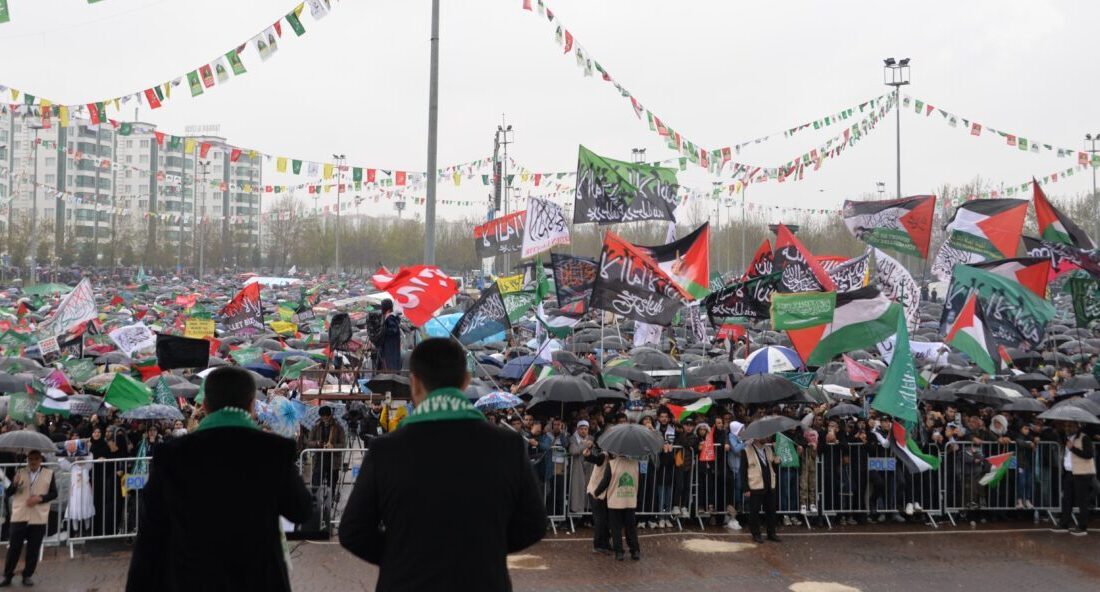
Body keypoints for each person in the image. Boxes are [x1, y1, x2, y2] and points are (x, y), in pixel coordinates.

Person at [339, 338, 546, 591]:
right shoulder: (507, 446)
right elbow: (533, 524)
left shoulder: (386, 451)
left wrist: (402, 558)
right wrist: (484, 551)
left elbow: (353, 531)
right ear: (466, 381)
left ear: (414, 384)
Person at [125, 366, 313, 592]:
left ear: (204, 406)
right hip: (258, 581)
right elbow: (300, 510)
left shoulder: (172, 454)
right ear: (252, 405)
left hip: (192, 581)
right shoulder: (273, 451)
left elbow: (150, 535)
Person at [1, 449, 57, 587]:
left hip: (38, 515)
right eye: (30, 459)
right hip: (20, 513)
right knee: (14, 547)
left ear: (40, 460)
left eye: (36, 459)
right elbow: (8, 493)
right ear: (27, 460)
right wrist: (13, 484)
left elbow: (54, 493)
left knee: (34, 547)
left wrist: (40, 498)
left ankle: (27, 575)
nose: (32, 462)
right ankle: (8, 575)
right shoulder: (20, 471)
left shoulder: (49, 474)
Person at [593, 452, 641, 561]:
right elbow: (639, 481)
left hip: (615, 501)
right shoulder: (635, 463)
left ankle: (619, 552)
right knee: (631, 528)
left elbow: (605, 482)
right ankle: (635, 550)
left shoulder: (612, 464)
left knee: (616, 528)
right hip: (630, 499)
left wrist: (596, 492)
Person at [1052, 422, 1095, 536]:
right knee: (1067, 500)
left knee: (1082, 501)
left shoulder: (1084, 438)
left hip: (1081, 473)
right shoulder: (1067, 438)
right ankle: (1064, 524)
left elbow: (1089, 454)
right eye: (1066, 426)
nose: (1067, 428)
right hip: (1069, 473)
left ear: (1077, 427)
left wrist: (1073, 448)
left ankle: (1082, 526)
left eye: (1070, 426)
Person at [741, 436, 781, 544]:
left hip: (769, 484)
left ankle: (771, 533)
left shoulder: (768, 449)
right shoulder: (746, 450)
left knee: (771, 510)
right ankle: (756, 533)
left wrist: (776, 462)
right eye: (764, 435)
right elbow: (743, 471)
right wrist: (746, 488)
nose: (767, 437)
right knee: (754, 511)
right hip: (755, 484)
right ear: (757, 437)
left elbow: (773, 467)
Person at [584, 449, 612, 555]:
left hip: (604, 494)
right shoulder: (604, 455)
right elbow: (596, 460)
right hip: (595, 492)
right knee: (600, 520)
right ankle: (598, 545)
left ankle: (605, 543)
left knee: (606, 520)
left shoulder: (614, 458)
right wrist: (588, 455)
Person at [375, 298, 402, 371]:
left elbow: (392, 330)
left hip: (390, 350)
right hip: (390, 350)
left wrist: (382, 331)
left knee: (390, 370)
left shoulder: (390, 318)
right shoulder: (391, 317)